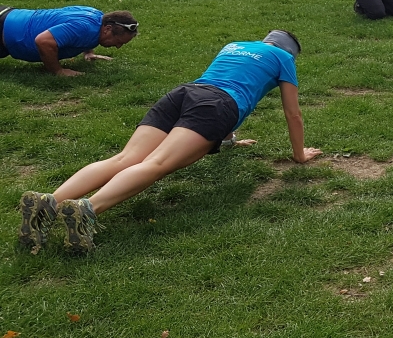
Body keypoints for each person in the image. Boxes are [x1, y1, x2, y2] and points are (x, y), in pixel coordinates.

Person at [17, 31, 322, 253]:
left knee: (124, 158)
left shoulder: (235, 45)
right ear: (291, 51)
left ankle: (49, 203)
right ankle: (88, 210)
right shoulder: (283, 58)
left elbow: (231, 82)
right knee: (157, 164)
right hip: (216, 106)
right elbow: (291, 113)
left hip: (184, 94)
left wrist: (227, 140)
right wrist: (299, 155)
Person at [0, 6, 138, 76]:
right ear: (108, 29)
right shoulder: (85, 28)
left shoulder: (96, 17)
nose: (118, 46)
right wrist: (58, 71)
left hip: (8, 18)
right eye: (119, 41)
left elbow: (75, 30)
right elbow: (43, 41)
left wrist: (88, 52)